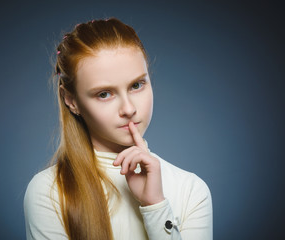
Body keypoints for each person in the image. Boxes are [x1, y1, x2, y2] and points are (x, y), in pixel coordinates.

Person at [24, 18, 212, 240]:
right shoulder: (49, 192)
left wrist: (155, 205)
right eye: (104, 94)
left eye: (136, 85)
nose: (129, 109)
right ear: (71, 101)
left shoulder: (191, 190)